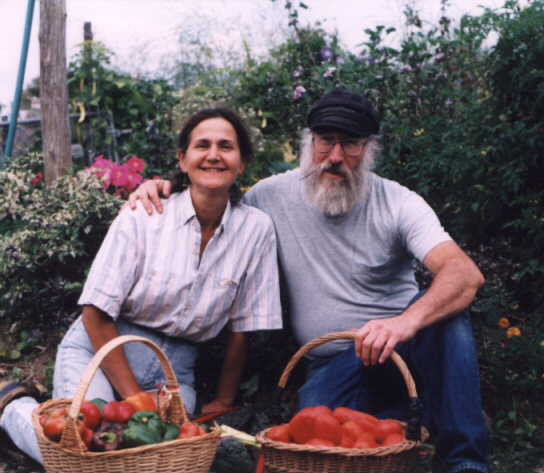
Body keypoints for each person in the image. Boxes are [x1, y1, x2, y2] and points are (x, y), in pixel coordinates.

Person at [126, 88, 489, 473]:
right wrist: (163, 189)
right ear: (308, 142)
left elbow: (464, 274)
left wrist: (402, 323)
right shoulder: (269, 196)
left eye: (350, 143)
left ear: (368, 149)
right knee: (314, 442)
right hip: (334, 362)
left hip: (404, 349)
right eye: (325, 142)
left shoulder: (399, 203)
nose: (335, 157)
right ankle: (410, 418)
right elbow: (210, 200)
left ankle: (465, 462)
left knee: (450, 318)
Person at [0, 107, 282, 463]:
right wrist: (133, 399)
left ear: (241, 163)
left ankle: (35, 426)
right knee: (80, 451)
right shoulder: (145, 216)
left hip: (173, 372)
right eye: (202, 145)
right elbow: (96, 312)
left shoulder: (255, 230)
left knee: (158, 457)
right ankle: (13, 408)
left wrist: (225, 399)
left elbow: (244, 326)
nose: (213, 155)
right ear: (183, 159)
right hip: (101, 350)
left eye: (226, 146)